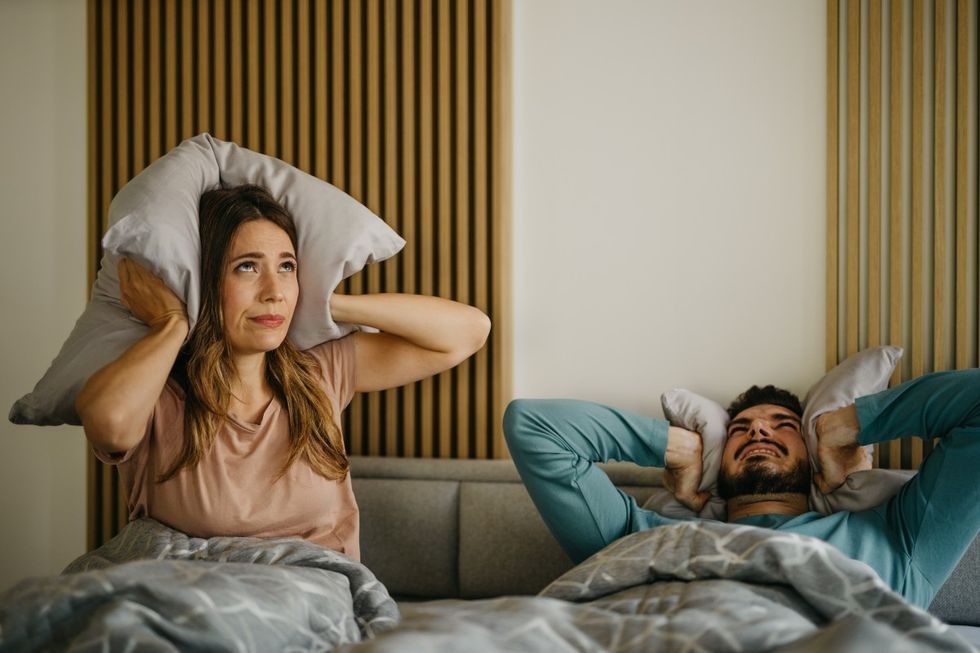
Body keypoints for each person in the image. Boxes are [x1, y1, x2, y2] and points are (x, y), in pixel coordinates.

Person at [77, 184, 490, 560]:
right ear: (203, 282)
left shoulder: (321, 373)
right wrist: (172, 322)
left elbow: (468, 332)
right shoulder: (159, 393)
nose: (274, 290)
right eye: (247, 267)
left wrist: (326, 303)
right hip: (194, 600)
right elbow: (109, 425)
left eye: (287, 267)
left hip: (309, 602)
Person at [504, 374, 980, 610]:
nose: (758, 434)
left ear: (812, 455)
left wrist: (847, 426)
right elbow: (532, 426)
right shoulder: (639, 534)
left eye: (784, 426)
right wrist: (673, 447)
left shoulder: (900, 539)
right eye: (740, 429)